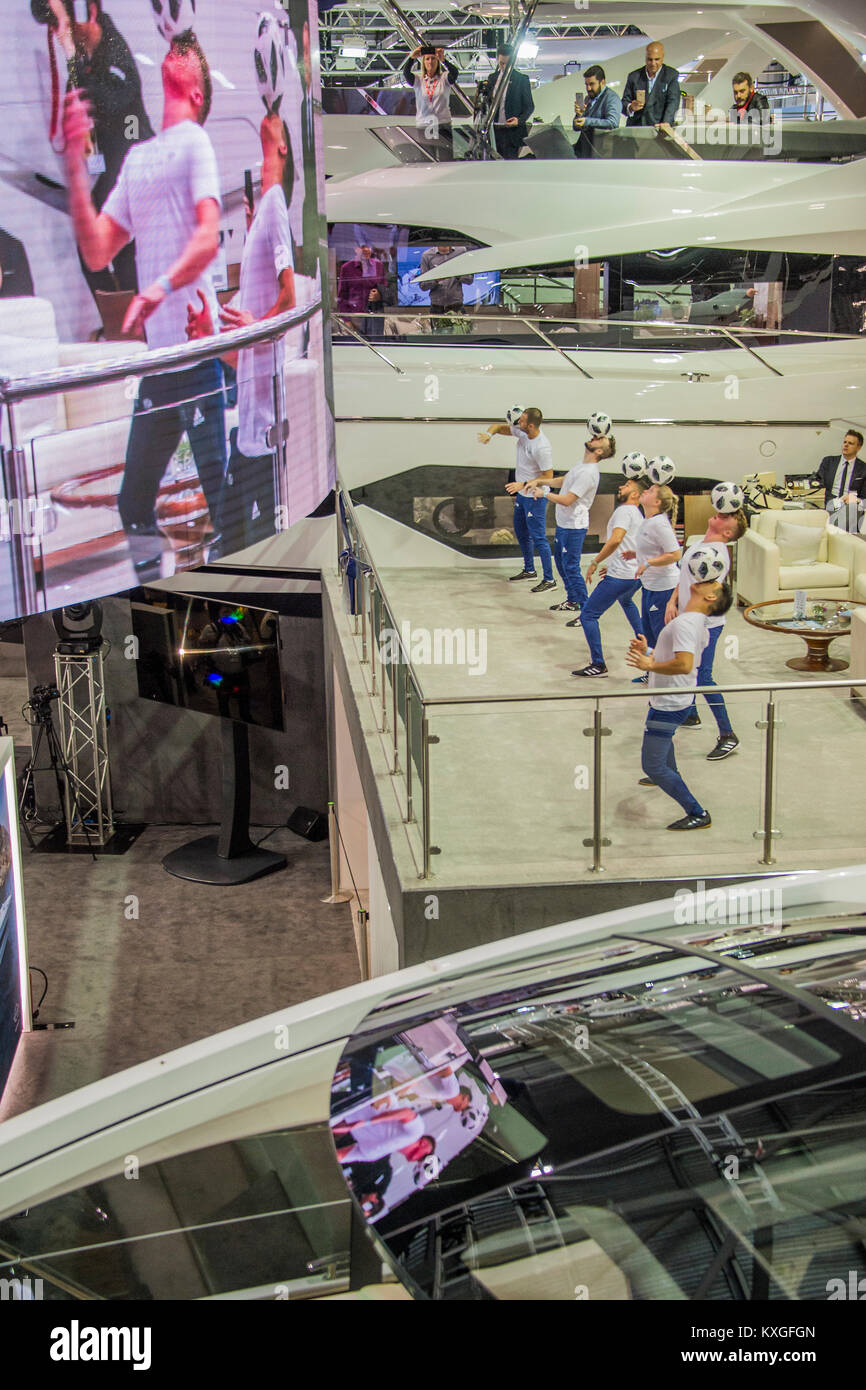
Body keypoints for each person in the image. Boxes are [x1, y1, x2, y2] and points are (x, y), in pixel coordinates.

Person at [62, 29, 225, 579]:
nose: (176, 51)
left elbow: (208, 238)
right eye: (175, 50)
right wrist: (72, 169)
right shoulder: (140, 157)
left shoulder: (195, 143)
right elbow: (98, 246)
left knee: (223, 500)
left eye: (188, 56)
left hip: (201, 364)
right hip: (160, 371)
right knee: (134, 503)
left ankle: (226, 588)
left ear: (197, 93)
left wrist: (156, 287)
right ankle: (159, 586)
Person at [186, 110, 296, 556]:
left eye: (276, 121)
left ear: (283, 147)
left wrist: (258, 324)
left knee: (244, 540)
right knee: (237, 541)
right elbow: (245, 348)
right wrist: (216, 333)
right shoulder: (263, 208)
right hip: (251, 423)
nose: (267, 116)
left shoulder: (275, 204)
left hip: (265, 430)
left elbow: (289, 298)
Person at [45, 0, 154, 299]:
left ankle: (138, 327)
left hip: (137, 179)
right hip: (112, 178)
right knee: (90, 253)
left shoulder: (114, 48)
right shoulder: (85, 55)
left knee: (128, 265)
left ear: (89, 11)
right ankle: (119, 323)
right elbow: (78, 97)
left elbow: (109, 102)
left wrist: (68, 48)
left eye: (68, 21)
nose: (63, 31)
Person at [626, 578, 733, 830]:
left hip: (669, 703)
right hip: (673, 698)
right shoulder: (696, 624)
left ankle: (697, 812)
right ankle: (666, 774)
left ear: (711, 598)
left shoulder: (686, 623)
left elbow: (684, 664)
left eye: (712, 584)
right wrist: (649, 651)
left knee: (652, 765)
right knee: (660, 756)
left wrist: (650, 665)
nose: (703, 580)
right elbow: (680, 656)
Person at [665, 508, 748, 759]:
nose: (719, 514)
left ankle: (728, 735)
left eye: (726, 517)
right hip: (690, 618)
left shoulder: (717, 554)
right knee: (688, 671)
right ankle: (691, 713)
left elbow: (708, 591)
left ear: (727, 532)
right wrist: (672, 601)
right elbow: (685, 576)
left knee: (703, 677)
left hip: (706, 624)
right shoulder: (700, 543)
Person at [522, 435, 614, 613]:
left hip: (574, 527)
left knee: (571, 567)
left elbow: (567, 500)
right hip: (564, 524)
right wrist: (540, 480)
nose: (594, 437)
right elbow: (564, 481)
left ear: (600, 451)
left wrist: (544, 494)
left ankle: (585, 610)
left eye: (599, 439)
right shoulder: (581, 465)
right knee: (561, 564)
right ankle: (573, 601)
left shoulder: (589, 473)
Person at [571, 475, 648, 678]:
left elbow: (616, 540)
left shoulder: (624, 511)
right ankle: (648, 652)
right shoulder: (637, 514)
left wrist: (596, 562)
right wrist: (612, 564)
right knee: (626, 601)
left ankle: (598, 664)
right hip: (633, 576)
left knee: (588, 615)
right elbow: (630, 544)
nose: (621, 486)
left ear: (635, 494)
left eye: (627, 485)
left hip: (622, 576)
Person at [482, 408, 554, 591]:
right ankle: (529, 570)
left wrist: (522, 484)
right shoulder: (522, 433)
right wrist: (489, 435)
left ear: (530, 425)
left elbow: (548, 477)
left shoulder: (542, 447)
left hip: (535, 497)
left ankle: (549, 580)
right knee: (521, 533)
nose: (516, 423)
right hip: (522, 496)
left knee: (539, 538)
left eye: (521, 420)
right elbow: (498, 427)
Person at [629, 483, 681, 675]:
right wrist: (635, 554)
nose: (644, 491)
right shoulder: (648, 520)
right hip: (649, 587)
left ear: (657, 502)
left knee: (661, 637)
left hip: (663, 589)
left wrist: (648, 563)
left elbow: (675, 554)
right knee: (648, 634)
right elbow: (654, 548)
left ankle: (664, 677)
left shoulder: (659, 524)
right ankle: (651, 674)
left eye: (649, 491)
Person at [403, 45, 459, 159]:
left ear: (437, 61)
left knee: (446, 159)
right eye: (427, 59)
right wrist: (411, 58)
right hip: (424, 125)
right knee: (426, 159)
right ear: (423, 62)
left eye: (433, 59)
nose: (430, 62)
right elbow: (406, 74)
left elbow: (455, 73)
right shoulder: (418, 80)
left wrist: (444, 60)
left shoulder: (444, 78)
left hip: (442, 125)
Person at [332, 1106, 435, 1165]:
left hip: (339, 1114)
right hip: (361, 1098)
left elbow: (339, 1156)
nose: (419, 1159)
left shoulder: (374, 1154)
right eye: (426, 1156)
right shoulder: (415, 1132)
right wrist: (366, 1122)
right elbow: (407, 1113)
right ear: (424, 1143)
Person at [483, 45, 534, 159]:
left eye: (507, 64)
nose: (504, 67)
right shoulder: (492, 78)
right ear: (497, 60)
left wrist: (519, 120)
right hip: (494, 132)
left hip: (512, 133)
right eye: (501, 63)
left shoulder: (521, 79)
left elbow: (529, 106)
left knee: (509, 165)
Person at [816, 429, 866, 534]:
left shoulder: (863, 468)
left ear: (859, 447)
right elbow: (819, 486)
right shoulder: (828, 462)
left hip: (850, 506)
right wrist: (837, 501)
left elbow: (863, 496)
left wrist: (851, 499)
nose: (846, 445)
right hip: (830, 501)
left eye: (851, 443)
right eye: (845, 442)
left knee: (851, 511)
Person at [622, 42, 681, 127]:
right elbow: (624, 102)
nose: (653, 63)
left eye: (657, 59)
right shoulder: (633, 76)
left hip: (659, 129)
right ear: (645, 58)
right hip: (636, 130)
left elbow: (673, 102)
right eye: (650, 59)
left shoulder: (671, 75)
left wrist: (666, 123)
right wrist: (630, 107)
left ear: (663, 57)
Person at [572, 65, 621, 159]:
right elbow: (576, 127)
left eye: (591, 84)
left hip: (599, 153)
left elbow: (613, 123)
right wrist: (579, 115)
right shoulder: (588, 98)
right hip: (583, 151)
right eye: (586, 84)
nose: (588, 88)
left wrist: (587, 121)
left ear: (602, 82)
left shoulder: (612, 98)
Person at [418, 243, 472, 325]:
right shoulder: (427, 256)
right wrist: (436, 279)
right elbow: (423, 286)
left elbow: (469, 280)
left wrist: (455, 273)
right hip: (437, 309)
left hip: (457, 308)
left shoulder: (462, 251)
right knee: (437, 337)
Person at [336, 244, 385, 318]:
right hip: (355, 316)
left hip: (375, 315)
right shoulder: (347, 268)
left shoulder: (379, 265)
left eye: (368, 247)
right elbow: (342, 296)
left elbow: (386, 289)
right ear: (355, 249)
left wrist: (379, 295)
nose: (366, 249)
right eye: (362, 247)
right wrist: (346, 320)